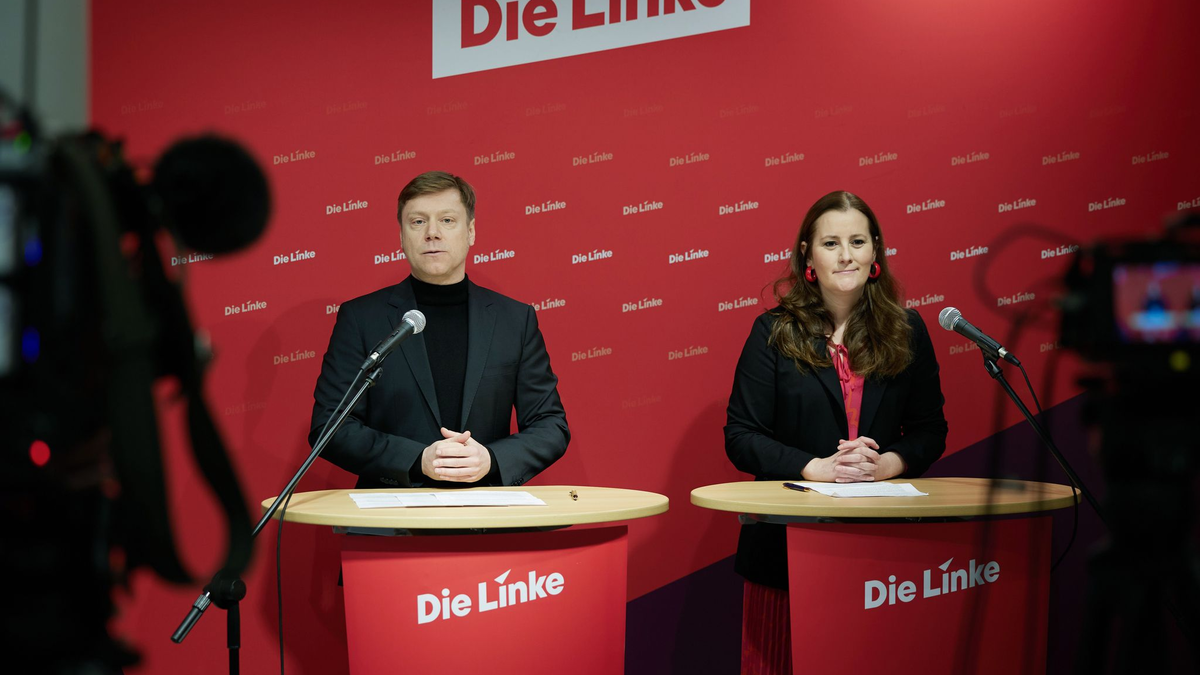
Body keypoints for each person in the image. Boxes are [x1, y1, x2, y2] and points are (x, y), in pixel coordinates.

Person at [724, 190, 948, 674]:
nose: (845, 255)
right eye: (830, 243)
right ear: (808, 254)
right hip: (785, 552)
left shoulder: (908, 329)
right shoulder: (772, 332)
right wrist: (816, 468)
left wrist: (886, 464)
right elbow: (741, 436)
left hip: (885, 558)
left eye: (857, 241)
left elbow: (931, 430)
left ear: (875, 254)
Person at [309, 171, 569, 489]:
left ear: (471, 231)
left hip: (488, 517)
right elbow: (331, 427)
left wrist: (491, 459)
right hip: (390, 520)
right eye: (418, 222)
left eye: (447, 220)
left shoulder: (515, 319)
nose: (432, 233)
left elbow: (550, 424)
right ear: (401, 236)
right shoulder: (361, 318)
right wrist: (417, 460)